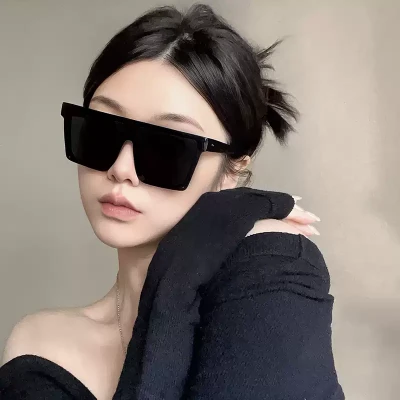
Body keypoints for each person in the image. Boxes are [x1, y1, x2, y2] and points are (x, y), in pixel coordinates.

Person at [0, 4, 344, 400]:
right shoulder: (38, 346)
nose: (121, 168)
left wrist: (190, 253)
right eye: (102, 132)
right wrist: (188, 255)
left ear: (232, 170)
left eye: (167, 148)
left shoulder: (274, 267)